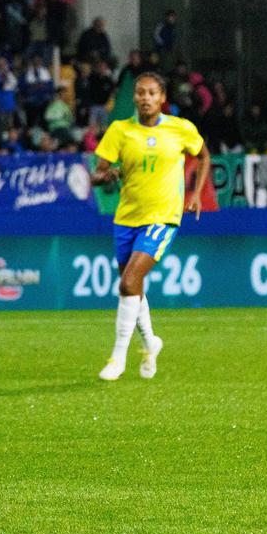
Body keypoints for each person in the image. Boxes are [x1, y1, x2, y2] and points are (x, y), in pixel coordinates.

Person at [91, 72, 211, 381]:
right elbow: (98, 173)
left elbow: (203, 154)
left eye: (152, 93)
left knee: (128, 282)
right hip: (126, 218)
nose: (145, 98)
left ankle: (117, 358)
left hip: (162, 217)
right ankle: (151, 343)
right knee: (134, 288)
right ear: (134, 97)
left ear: (162, 98)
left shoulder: (180, 128)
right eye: (141, 92)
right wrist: (108, 175)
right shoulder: (120, 131)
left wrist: (196, 194)